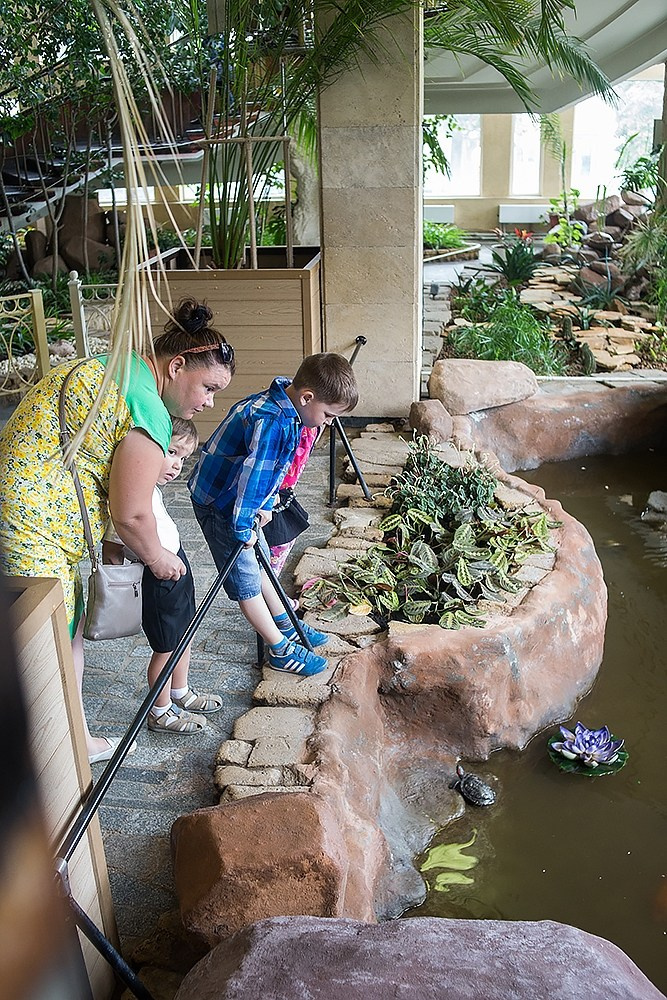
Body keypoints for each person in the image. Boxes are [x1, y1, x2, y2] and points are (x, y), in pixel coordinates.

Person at [0, 298, 235, 762]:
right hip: (34, 526)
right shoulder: (146, 406)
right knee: (51, 636)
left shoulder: (115, 366)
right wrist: (159, 558)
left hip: (25, 513)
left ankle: (70, 735)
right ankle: (58, 748)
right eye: (207, 388)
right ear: (178, 365)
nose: (207, 403)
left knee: (64, 633)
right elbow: (130, 514)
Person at [189, 352, 358, 677]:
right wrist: (242, 528)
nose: (327, 423)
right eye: (327, 414)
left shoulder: (284, 406)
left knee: (263, 559)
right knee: (247, 579)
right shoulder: (275, 421)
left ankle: (289, 624)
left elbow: (271, 473)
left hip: (240, 502)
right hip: (222, 504)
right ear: (307, 398)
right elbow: (252, 478)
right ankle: (279, 648)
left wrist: (265, 506)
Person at [103, 417, 222, 735]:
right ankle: (160, 710)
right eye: (170, 453)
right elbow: (113, 544)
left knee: (186, 632)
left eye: (183, 458)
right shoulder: (129, 496)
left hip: (175, 569)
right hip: (154, 579)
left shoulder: (149, 489)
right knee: (165, 646)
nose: (176, 465)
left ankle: (180, 691)